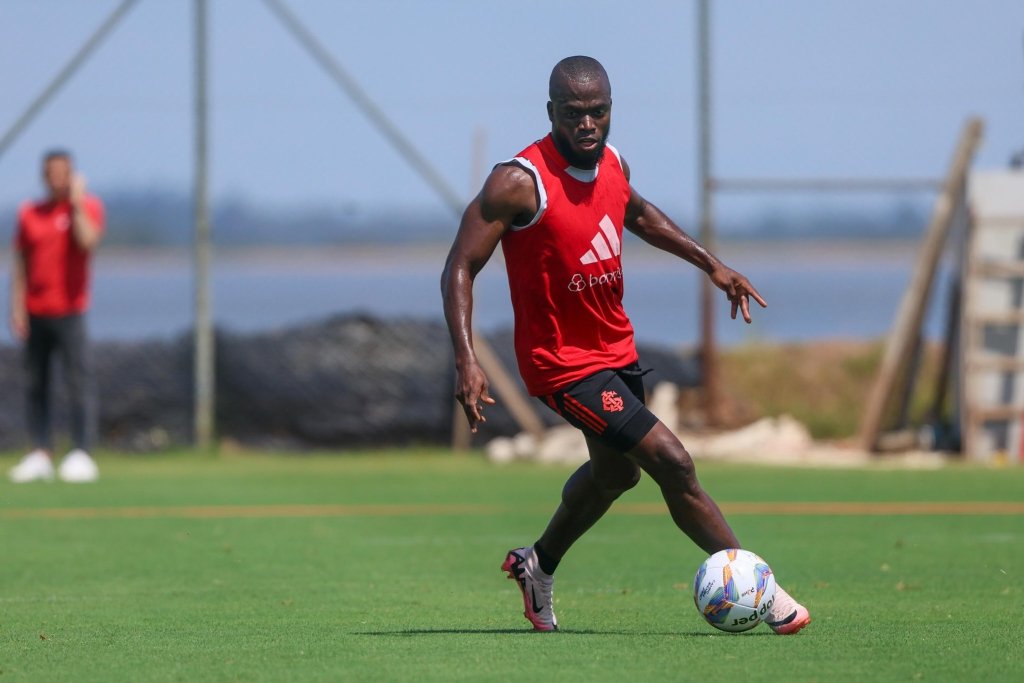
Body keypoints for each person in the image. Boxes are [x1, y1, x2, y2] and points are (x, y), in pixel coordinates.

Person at [441, 56, 810, 634]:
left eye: (598, 112)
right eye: (573, 114)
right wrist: (466, 358)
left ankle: (538, 565)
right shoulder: (518, 181)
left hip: (616, 350)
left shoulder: (613, 164)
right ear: (551, 113)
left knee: (615, 476)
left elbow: (637, 213)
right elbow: (460, 265)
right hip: (561, 365)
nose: (587, 125)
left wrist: (712, 265)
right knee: (673, 461)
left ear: (610, 110)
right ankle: (761, 588)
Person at [8, 149, 104, 483]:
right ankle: (40, 451)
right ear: (43, 176)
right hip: (36, 311)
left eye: (64, 173)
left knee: (79, 381)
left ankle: (81, 451)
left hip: (71, 310)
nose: (57, 179)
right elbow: (20, 262)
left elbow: (88, 240)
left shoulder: (87, 207)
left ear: (72, 175)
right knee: (36, 384)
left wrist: (76, 202)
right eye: (52, 173)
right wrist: (16, 307)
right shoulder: (30, 213)